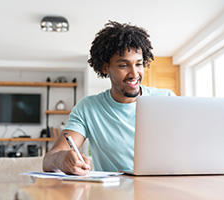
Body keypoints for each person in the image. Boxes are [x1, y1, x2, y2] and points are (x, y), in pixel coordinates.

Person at [42, 21, 175, 175]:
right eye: (123, 65)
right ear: (105, 67)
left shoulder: (167, 99)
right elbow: (48, 160)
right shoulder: (89, 108)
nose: (134, 74)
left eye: (138, 64)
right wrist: (61, 158)